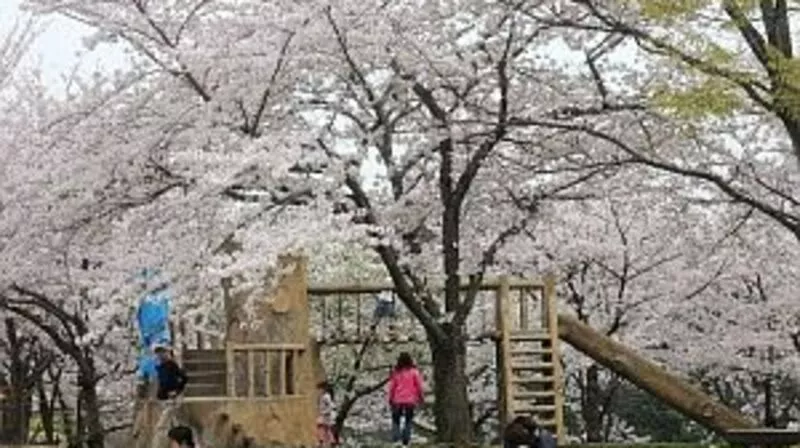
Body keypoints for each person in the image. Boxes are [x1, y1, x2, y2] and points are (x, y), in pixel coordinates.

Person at [387, 352, 424, 446]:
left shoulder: (396, 373)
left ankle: (396, 439)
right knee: (408, 420)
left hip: (397, 400)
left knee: (396, 420)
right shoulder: (414, 372)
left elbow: (392, 387)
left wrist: (390, 398)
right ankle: (406, 440)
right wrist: (421, 397)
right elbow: (419, 386)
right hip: (410, 400)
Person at [316, 381, 337, 447]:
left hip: (326, 415)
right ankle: (328, 442)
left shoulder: (326, 396)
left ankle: (325, 442)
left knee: (323, 428)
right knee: (325, 428)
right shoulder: (323, 396)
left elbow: (331, 405)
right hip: (324, 414)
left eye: (320, 389)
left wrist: (325, 412)